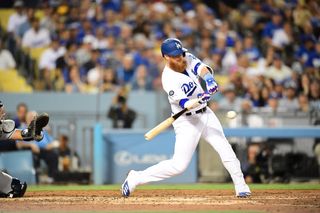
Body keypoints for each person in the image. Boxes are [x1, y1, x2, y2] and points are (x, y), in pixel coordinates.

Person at [121, 38, 251, 198]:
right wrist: (197, 100)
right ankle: (136, 177)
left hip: (206, 114)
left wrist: (209, 80)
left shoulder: (186, 57)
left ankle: (241, 186)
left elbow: (202, 68)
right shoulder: (168, 78)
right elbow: (183, 103)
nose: (179, 57)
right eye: (175, 55)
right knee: (179, 166)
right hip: (187, 121)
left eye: (180, 54)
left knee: (225, 148)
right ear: (166, 57)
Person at [0, 101, 49, 198]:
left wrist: (35, 131)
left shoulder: (2, 127)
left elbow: (26, 135)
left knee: (16, 188)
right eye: (0, 110)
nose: (3, 113)